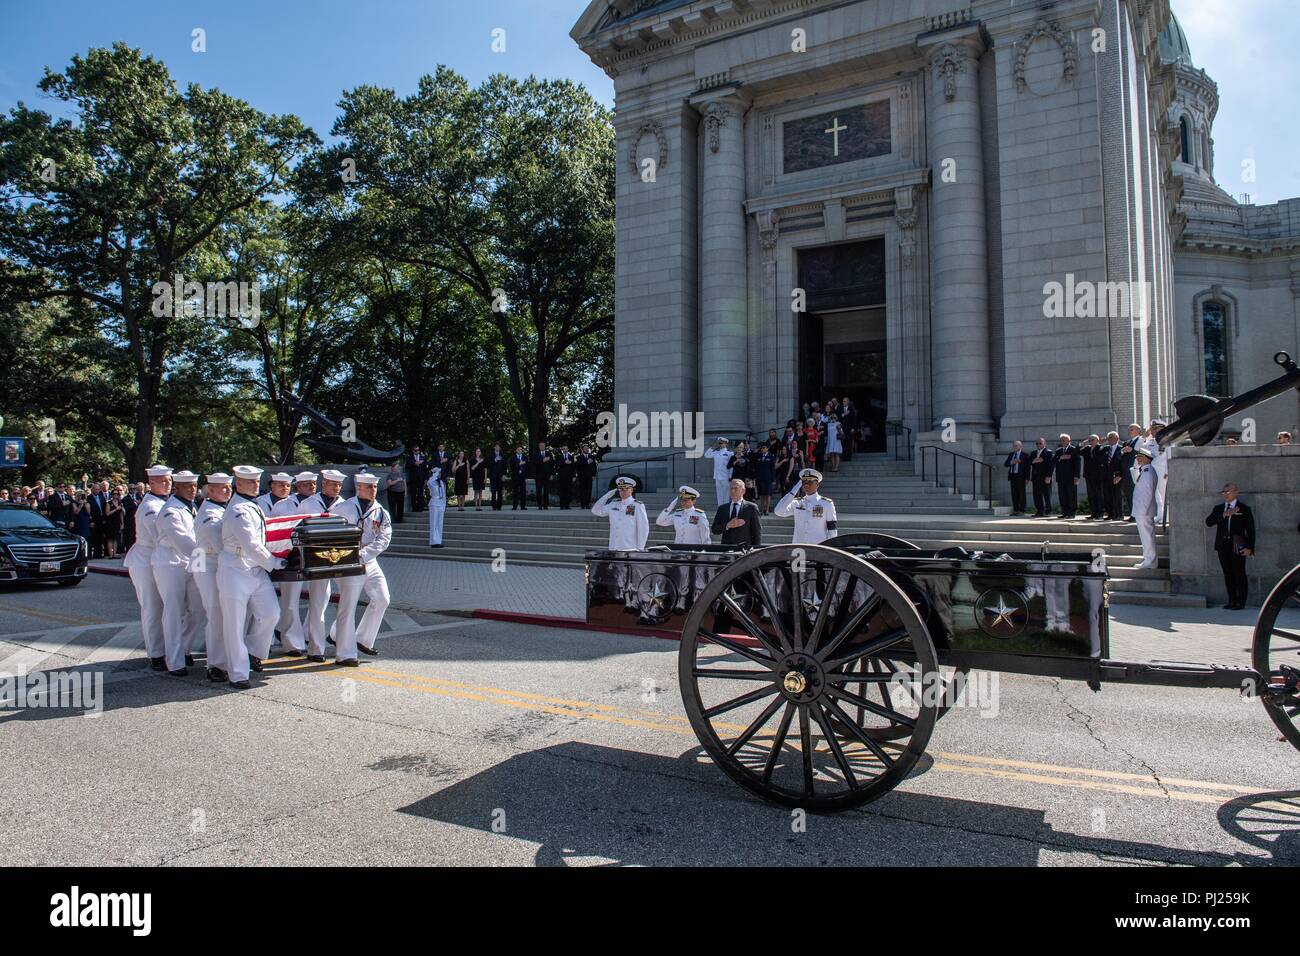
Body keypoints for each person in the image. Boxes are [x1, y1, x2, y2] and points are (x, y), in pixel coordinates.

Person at [218, 466, 287, 689]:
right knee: (234, 623)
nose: (255, 485)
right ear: (238, 484)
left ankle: (252, 651)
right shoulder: (238, 509)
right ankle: (237, 673)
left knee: (271, 614)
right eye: (250, 482)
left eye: (257, 482)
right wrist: (275, 563)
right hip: (235, 568)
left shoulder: (252, 505)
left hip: (255, 569)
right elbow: (252, 544)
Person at [331, 471, 392, 664]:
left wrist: (365, 554)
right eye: (370, 487)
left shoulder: (381, 511)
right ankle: (345, 654)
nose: (374, 491)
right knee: (347, 608)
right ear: (359, 488)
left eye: (375, 487)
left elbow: (384, 538)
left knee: (382, 598)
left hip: (369, 560)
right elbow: (332, 534)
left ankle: (362, 639)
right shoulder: (343, 508)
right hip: (348, 561)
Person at [153, 470, 204, 676]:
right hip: (170, 561)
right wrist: (211, 558)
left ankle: (184, 646)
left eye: (194, 486)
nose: (193, 490)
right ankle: (174, 660)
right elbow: (184, 543)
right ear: (177, 488)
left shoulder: (193, 507)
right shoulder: (170, 511)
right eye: (187, 486)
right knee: (173, 610)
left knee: (199, 607)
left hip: (193, 559)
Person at [123, 465, 171, 670]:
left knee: (169, 606)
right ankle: (156, 653)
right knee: (152, 606)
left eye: (169, 480)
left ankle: (169, 648)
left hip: (161, 557)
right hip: (146, 558)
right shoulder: (151, 506)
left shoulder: (168, 502)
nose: (168, 483)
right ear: (152, 483)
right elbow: (159, 535)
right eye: (163, 481)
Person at [272, 471, 321, 655]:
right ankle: (292, 642)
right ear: (298, 486)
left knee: (321, 600)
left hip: (316, 558)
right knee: (291, 600)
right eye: (307, 484)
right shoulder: (283, 505)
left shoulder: (321, 503)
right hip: (292, 557)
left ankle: (311, 634)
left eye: (314, 484)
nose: (312, 487)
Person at [194, 473, 232, 682]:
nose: (227, 490)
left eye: (229, 487)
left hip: (216, 562)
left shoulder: (221, 508)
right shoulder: (209, 512)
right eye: (222, 488)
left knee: (219, 612)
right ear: (210, 491)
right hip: (207, 562)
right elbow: (220, 544)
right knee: (215, 612)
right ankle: (216, 664)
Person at [1205, 483, 1255, 609]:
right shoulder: (1219, 508)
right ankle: (1231, 600)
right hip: (1223, 545)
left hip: (1237, 544)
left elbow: (1250, 530)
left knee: (1239, 572)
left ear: (1236, 492)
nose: (1225, 494)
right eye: (1223, 492)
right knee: (1228, 573)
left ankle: (1241, 601)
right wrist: (1224, 514)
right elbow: (1208, 522)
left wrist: (1250, 547)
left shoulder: (1244, 509)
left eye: (1228, 491)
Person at [773, 467, 838, 544]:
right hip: (799, 547)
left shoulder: (826, 503)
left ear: (817, 484)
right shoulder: (796, 502)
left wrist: (832, 547)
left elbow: (832, 528)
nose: (806, 485)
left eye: (810, 482)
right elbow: (778, 511)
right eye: (804, 483)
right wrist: (794, 491)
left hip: (818, 547)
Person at [591, 476, 649, 550]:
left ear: (631, 490)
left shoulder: (637, 505)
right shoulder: (613, 504)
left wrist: (640, 548)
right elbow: (595, 510)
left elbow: (643, 528)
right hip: (614, 547)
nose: (623, 492)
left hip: (630, 548)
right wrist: (607, 496)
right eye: (621, 489)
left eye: (626, 489)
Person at [712, 478, 762, 547]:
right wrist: (728, 525)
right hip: (726, 550)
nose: (733, 491)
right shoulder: (722, 508)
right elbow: (714, 529)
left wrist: (756, 552)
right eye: (731, 488)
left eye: (736, 488)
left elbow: (757, 532)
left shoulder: (751, 508)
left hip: (744, 551)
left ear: (743, 491)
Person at [1131, 447, 1159, 569]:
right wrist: (1136, 467)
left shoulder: (1148, 471)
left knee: (1147, 536)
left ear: (1146, 458)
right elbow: (1136, 481)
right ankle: (1148, 559)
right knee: (1145, 536)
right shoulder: (1145, 470)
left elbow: (1148, 493)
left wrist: (1144, 510)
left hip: (1144, 510)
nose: (1137, 459)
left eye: (1140, 457)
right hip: (1142, 509)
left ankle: (1150, 560)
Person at [1052, 433, 1081, 518]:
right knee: (1062, 495)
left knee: (1071, 495)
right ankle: (1064, 512)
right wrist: (1061, 458)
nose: (1062, 441)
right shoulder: (1058, 451)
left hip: (1071, 477)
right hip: (1061, 477)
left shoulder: (1073, 450)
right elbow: (1053, 462)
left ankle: (1072, 513)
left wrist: (1076, 476)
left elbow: (1077, 464)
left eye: (1064, 440)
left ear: (1069, 441)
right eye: (1061, 440)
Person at [1120, 424, 1142, 520]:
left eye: (1131, 429)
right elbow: (1119, 456)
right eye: (1128, 429)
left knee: (1135, 493)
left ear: (1138, 430)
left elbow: (1142, 453)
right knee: (1128, 493)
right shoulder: (1126, 442)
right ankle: (1132, 514)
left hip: (1136, 471)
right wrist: (1122, 451)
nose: (1129, 431)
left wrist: (1132, 451)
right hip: (1127, 472)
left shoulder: (1141, 440)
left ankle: (1137, 514)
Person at [704, 437, 734, 508]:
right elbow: (706, 455)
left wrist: (730, 476)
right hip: (717, 476)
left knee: (726, 494)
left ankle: (726, 508)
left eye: (722, 443)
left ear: (726, 444)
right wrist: (714, 446)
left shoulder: (729, 453)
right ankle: (720, 508)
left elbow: (731, 466)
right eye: (719, 443)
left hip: (726, 476)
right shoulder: (716, 452)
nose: (720, 444)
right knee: (719, 494)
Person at [1082, 434, 1107, 520]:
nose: (1090, 442)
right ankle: (1093, 513)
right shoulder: (1087, 449)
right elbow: (1077, 451)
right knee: (1091, 495)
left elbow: (1100, 457)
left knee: (1099, 495)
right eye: (1089, 440)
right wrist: (1082, 444)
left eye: (1092, 440)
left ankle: (1100, 513)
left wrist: (1100, 444)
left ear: (1097, 440)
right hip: (1088, 475)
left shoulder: (1101, 448)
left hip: (1098, 475)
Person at [1102, 431, 1125, 520]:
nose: (1109, 439)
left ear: (1117, 439)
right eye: (1108, 438)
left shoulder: (1121, 448)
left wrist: (1120, 475)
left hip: (1117, 476)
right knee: (1107, 496)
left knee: (1117, 496)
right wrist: (1100, 443)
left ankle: (1119, 514)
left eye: (1111, 437)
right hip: (1106, 476)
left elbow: (1123, 463)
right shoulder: (1105, 449)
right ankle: (1110, 514)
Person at [1029, 438, 1054, 517]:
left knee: (1046, 494)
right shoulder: (1033, 453)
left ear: (1044, 444)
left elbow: (1051, 465)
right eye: (1037, 443)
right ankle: (1039, 511)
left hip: (1045, 477)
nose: (1038, 445)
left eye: (1040, 443)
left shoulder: (1048, 452)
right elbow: (1029, 462)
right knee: (1036, 495)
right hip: (1036, 477)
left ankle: (1048, 511)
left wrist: (1049, 476)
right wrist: (1035, 460)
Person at [1004, 440, 1030, 515]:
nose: (1014, 447)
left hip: (1021, 476)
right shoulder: (1011, 454)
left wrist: (1027, 478)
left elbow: (1027, 468)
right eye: (1013, 446)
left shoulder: (1025, 455)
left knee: (1021, 494)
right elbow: (1006, 464)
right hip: (1013, 476)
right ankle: (1015, 510)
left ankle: (1022, 510)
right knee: (1014, 494)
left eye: (1016, 446)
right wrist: (1012, 462)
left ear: (1020, 446)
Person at [427, 463, 447, 547]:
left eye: (440, 473)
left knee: (439, 523)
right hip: (434, 503)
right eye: (439, 473)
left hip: (440, 503)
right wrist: (434, 474)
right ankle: (433, 542)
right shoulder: (432, 481)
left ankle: (438, 541)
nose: (440, 474)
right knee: (434, 523)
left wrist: (444, 505)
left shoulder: (441, 482)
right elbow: (429, 482)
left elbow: (444, 494)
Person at [755, 443, 776, 515]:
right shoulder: (758, 456)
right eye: (762, 448)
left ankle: (767, 509)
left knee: (768, 494)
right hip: (760, 478)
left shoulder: (770, 456)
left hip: (768, 478)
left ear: (767, 448)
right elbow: (756, 467)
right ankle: (762, 509)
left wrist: (773, 479)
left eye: (764, 448)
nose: (762, 449)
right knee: (761, 494)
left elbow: (773, 469)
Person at [575, 444, 598, 510]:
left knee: (589, 490)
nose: (587, 449)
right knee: (582, 490)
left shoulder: (592, 456)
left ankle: (587, 504)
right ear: (582, 450)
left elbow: (594, 467)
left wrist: (594, 475)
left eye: (587, 448)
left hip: (590, 476)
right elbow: (579, 465)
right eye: (585, 448)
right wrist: (587, 461)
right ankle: (583, 504)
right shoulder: (579, 457)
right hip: (582, 476)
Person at [103, 488, 124, 558]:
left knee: (115, 539)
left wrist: (122, 523)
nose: (116, 495)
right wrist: (116, 509)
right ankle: (110, 554)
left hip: (117, 522)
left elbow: (121, 514)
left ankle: (114, 553)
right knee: (110, 538)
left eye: (117, 494)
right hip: (110, 522)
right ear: (112, 495)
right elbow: (107, 513)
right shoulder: (108, 503)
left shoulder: (120, 502)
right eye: (114, 494)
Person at [532, 441, 554, 509]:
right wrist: (542, 460)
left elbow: (552, 465)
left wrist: (552, 474)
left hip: (547, 476)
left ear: (545, 446)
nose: (542, 447)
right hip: (538, 476)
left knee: (546, 491)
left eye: (543, 445)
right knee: (539, 491)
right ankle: (539, 505)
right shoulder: (536, 454)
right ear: (539, 447)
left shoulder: (549, 453)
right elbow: (534, 463)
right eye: (541, 445)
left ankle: (546, 505)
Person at [406, 447, 427, 512]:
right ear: (413, 451)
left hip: (421, 478)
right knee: (413, 493)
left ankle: (420, 508)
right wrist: (415, 463)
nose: (417, 451)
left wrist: (426, 478)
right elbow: (406, 466)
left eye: (418, 450)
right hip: (413, 478)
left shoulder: (423, 457)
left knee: (420, 493)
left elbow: (426, 469)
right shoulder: (410, 457)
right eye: (415, 450)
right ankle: (414, 508)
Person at [489, 443, 507, 511]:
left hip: (500, 476)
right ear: (494, 447)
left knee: (500, 492)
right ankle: (494, 506)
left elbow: (505, 466)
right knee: (493, 492)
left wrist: (504, 474)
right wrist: (495, 460)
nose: (497, 448)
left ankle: (499, 506)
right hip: (493, 476)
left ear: (500, 448)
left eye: (498, 447)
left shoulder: (503, 455)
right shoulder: (491, 455)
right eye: (496, 447)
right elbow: (489, 464)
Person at [510, 445, 529, 510]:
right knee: (515, 492)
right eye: (518, 449)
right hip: (515, 477)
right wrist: (519, 464)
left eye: (521, 449)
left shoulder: (525, 457)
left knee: (523, 492)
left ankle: (523, 506)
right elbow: (512, 467)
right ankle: (515, 506)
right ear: (516, 450)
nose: (519, 450)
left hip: (523, 477)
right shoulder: (513, 457)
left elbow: (527, 468)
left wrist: (526, 477)